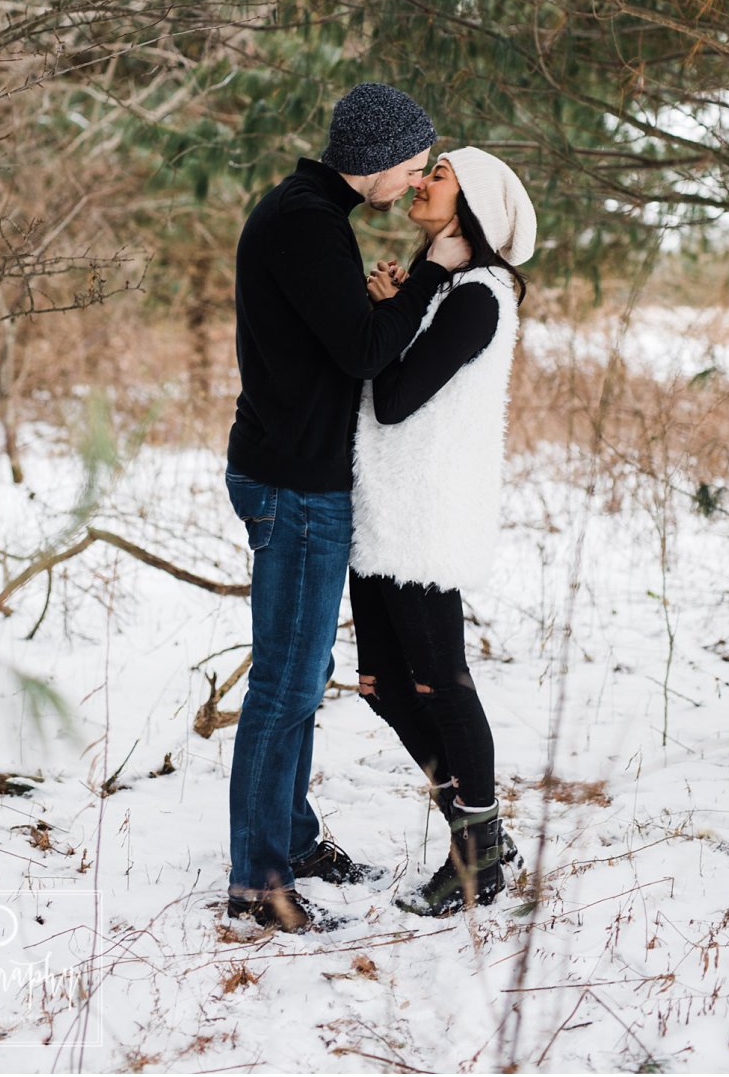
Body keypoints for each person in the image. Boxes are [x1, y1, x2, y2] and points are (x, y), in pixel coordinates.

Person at [221, 81, 472, 935]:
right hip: (294, 483)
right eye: (407, 166)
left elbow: (335, 337)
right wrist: (430, 276)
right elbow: (366, 355)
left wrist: (379, 299)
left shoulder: (312, 218)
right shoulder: (305, 222)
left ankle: (289, 838)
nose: (411, 183)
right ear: (367, 159)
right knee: (284, 684)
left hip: (297, 471)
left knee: (296, 680)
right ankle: (258, 879)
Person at [352, 146, 537, 916]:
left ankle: (478, 851)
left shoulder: (479, 296)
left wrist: (377, 333)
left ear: (477, 204)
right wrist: (390, 310)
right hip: (383, 510)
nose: (421, 182)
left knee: (440, 680)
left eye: (440, 175)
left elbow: (392, 400)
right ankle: (479, 820)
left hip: (424, 515)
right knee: (382, 684)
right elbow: (396, 376)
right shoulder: (443, 289)